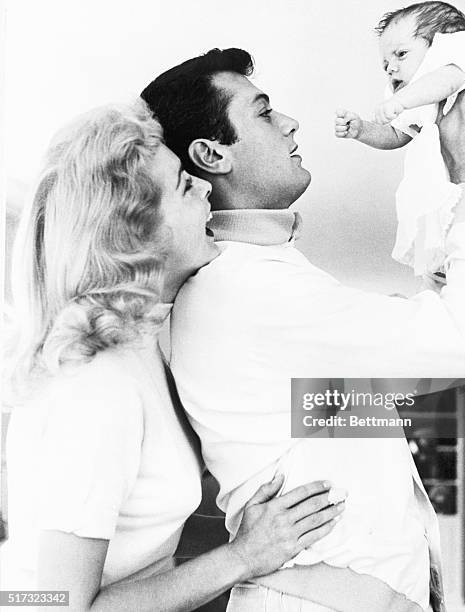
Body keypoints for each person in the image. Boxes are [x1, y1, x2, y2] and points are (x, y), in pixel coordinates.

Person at [141, 49, 465, 612]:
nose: (290, 123)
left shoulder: (268, 287)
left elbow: (439, 369)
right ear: (212, 154)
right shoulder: (244, 289)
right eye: (263, 112)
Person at [3, 100, 346, 611]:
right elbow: (55, 606)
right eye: (185, 185)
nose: (206, 187)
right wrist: (244, 556)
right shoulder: (97, 386)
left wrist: (363, 414)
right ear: (135, 233)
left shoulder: (150, 348)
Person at [335, 1, 465, 278]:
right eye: (385, 63)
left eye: (401, 54)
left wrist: (402, 100)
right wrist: (361, 130)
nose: (391, 68)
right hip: (455, 181)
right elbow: (396, 136)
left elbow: (448, 80)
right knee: (459, 250)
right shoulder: (415, 100)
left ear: (441, 46)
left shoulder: (454, 67)